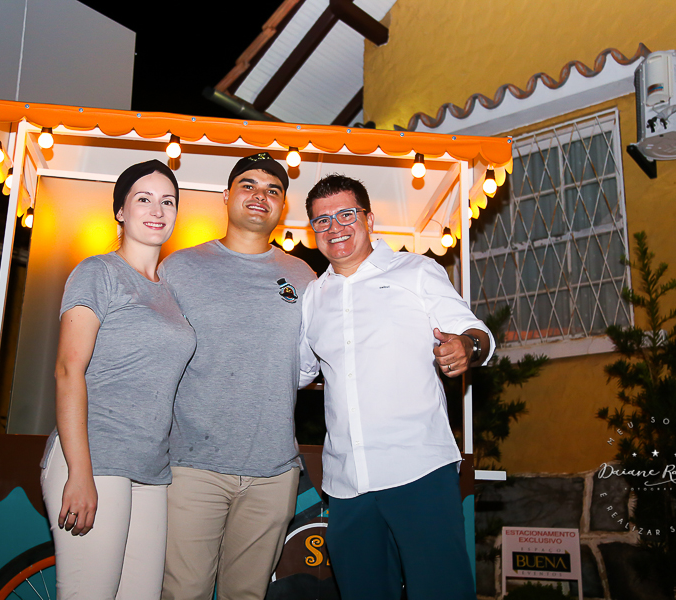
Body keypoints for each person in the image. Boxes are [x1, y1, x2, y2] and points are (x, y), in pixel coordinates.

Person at [299, 174, 494, 600]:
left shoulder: (417, 271)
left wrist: (467, 347)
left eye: (346, 214)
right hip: (347, 483)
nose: (335, 227)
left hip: (419, 470)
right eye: (322, 220)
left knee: (442, 593)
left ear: (369, 219)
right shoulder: (313, 296)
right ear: (313, 232)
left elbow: (476, 333)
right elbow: (298, 372)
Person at [158, 152, 316, 600]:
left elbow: (308, 364)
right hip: (192, 466)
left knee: (246, 596)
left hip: (273, 470)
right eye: (248, 185)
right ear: (226, 196)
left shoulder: (303, 276)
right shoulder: (179, 268)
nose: (259, 195)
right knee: (183, 593)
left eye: (272, 190)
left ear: (282, 205)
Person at [40, 160, 196, 600]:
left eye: (168, 201)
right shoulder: (98, 272)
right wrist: (80, 473)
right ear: (121, 211)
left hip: (151, 469)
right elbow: (68, 370)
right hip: (95, 457)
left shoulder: (169, 293)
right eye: (143, 199)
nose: (157, 210)